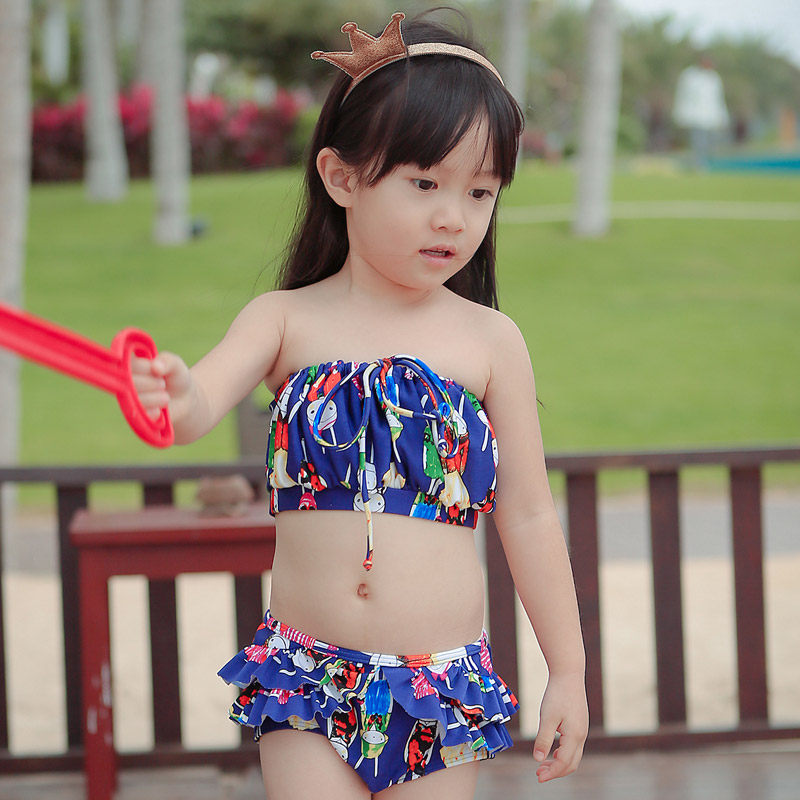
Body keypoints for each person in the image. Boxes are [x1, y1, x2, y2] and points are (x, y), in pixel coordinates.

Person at [132, 10, 588, 799]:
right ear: (342, 178)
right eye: (424, 183)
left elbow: (529, 515)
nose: (454, 216)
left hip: (437, 687)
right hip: (307, 676)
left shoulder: (490, 340)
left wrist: (569, 672)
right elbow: (195, 406)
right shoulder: (284, 320)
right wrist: (172, 390)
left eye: (480, 191)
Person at [672, 54, 730, 168]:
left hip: (711, 117)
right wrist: (680, 114)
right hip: (695, 117)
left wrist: (722, 117)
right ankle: (698, 164)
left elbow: (718, 99)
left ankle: (706, 162)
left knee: (710, 142)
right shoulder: (689, 76)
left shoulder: (714, 78)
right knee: (698, 141)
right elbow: (682, 96)